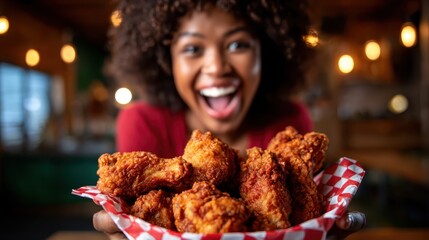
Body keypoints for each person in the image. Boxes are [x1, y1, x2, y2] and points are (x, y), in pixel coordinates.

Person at [93, 0, 366, 239]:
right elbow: (132, 208)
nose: (217, 67)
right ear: (167, 60)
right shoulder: (142, 122)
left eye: (238, 44)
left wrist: (318, 227)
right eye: (192, 49)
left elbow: (303, 209)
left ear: (266, 53)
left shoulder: (290, 122)